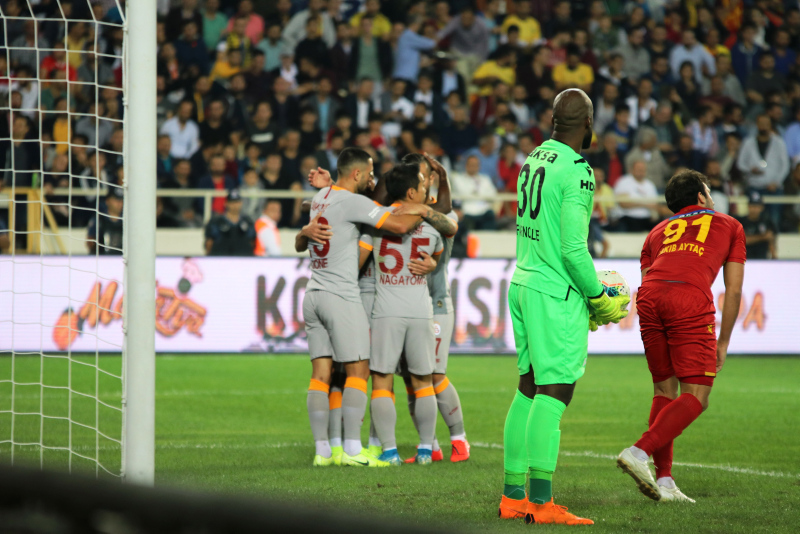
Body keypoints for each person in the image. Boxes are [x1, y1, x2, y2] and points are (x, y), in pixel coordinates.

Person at [498, 89, 628, 525]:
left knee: (528, 387)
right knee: (555, 390)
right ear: (588, 123)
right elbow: (574, 249)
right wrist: (598, 298)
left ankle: (513, 496)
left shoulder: (534, 157)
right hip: (555, 292)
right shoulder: (578, 170)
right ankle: (541, 502)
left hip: (523, 281)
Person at [295, 148, 443, 468]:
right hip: (341, 295)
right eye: (370, 172)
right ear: (357, 174)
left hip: (313, 292)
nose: (373, 178)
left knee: (321, 376)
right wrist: (422, 208)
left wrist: (305, 229)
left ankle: (324, 451)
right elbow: (398, 225)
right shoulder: (355, 203)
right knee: (360, 371)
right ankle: (353, 449)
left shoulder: (321, 196)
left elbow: (317, 220)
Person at [617, 170, 746, 503]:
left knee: (664, 389)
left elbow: (649, 278)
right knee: (697, 395)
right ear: (701, 196)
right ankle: (638, 451)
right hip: (687, 297)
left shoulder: (656, 232)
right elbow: (733, 291)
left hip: (649, 297)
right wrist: (723, 342)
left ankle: (665, 481)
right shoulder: (729, 225)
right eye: (709, 191)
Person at [361, 162, 449, 466]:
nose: (427, 190)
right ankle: (425, 450)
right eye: (423, 185)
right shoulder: (432, 225)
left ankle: (389, 451)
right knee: (423, 381)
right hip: (421, 310)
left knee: (382, 380)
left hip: (387, 310)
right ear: (411, 192)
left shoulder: (377, 219)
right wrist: (432, 264)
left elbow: (359, 258)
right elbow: (437, 255)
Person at [204, 189, 256, 256]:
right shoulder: (216, 221)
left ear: (241, 203)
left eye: (237, 202)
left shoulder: (247, 221)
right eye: (232, 202)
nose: (235, 205)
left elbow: (252, 242)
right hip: (220, 258)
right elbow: (209, 243)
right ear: (226, 203)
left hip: (243, 259)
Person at [614, 160, 660, 232]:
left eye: (643, 169)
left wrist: (634, 203)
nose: (641, 171)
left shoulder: (650, 185)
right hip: (628, 217)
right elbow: (623, 204)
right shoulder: (623, 182)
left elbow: (655, 205)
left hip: (646, 219)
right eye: (638, 169)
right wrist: (645, 204)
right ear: (632, 170)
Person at [736, 191, 777, 259]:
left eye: (757, 206)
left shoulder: (767, 221)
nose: (755, 209)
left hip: (762, 259)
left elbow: (771, 240)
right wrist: (763, 237)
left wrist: (774, 257)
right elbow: (743, 240)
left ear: (762, 207)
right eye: (753, 206)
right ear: (748, 206)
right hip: (744, 259)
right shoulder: (741, 222)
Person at [86, 189, 124, 255]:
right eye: (116, 200)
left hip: (122, 257)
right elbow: (90, 241)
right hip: (102, 257)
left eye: (121, 200)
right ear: (107, 201)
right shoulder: (99, 219)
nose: (119, 203)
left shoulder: (127, 220)